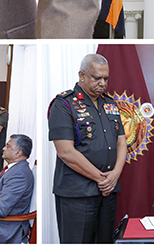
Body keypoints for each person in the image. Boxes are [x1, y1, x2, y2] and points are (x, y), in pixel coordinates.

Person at [48, 53, 126, 243]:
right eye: (96, 78)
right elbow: (65, 152)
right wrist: (102, 179)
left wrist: (115, 174)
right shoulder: (64, 104)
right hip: (77, 193)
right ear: (81, 75)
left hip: (108, 191)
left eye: (106, 78)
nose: (102, 83)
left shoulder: (110, 104)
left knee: (105, 242)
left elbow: (121, 142)